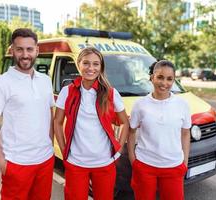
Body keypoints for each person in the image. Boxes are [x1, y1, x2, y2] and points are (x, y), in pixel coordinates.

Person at [0, 28, 55, 200]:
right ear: (12, 50)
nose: (25, 54)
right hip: (16, 163)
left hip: (45, 160)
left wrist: (50, 147)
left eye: (29, 49)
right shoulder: (0, 83)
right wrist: (2, 162)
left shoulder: (45, 80)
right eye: (19, 49)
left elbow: (49, 115)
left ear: (37, 50)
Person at [54, 47, 129, 200]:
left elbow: (124, 123)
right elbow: (57, 122)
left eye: (96, 64)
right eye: (86, 63)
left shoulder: (111, 93)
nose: (91, 68)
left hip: (104, 163)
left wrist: (118, 150)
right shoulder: (67, 91)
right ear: (78, 64)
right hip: (75, 163)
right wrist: (64, 151)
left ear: (101, 67)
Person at [128, 60, 191, 200]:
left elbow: (186, 133)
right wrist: (133, 160)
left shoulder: (182, 105)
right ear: (152, 78)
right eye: (160, 77)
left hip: (173, 166)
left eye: (170, 79)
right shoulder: (140, 105)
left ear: (174, 80)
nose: (164, 83)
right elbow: (131, 132)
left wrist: (185, 162)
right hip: (145, 166)